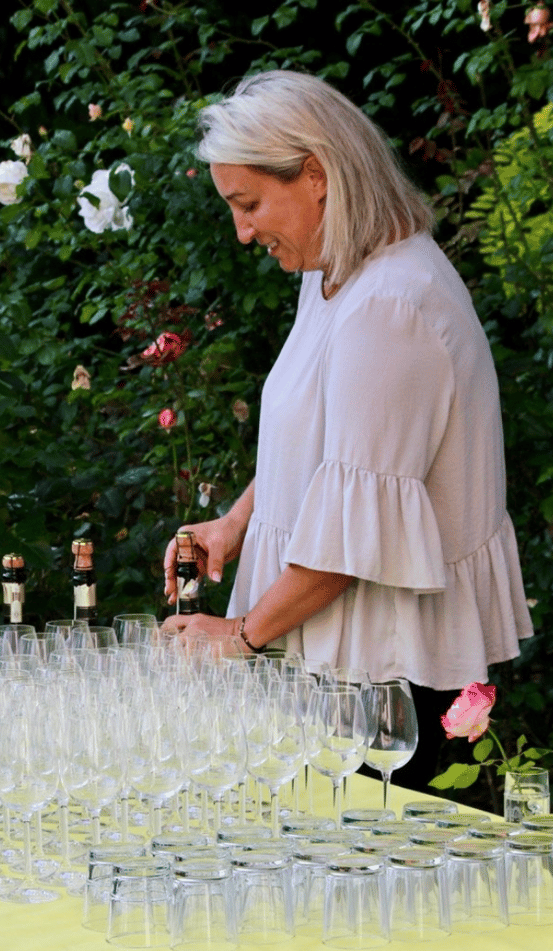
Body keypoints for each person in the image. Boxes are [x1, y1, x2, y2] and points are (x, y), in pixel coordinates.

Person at [162, 69, 533, 791]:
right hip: (344, 672)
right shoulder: (334, 273)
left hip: (387, 689)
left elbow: (345, 547)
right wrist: (236, 523)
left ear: (316, 175)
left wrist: (238, 635)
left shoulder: (390, 306)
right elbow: (335, 452)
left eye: (249, 204)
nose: (243, 232)